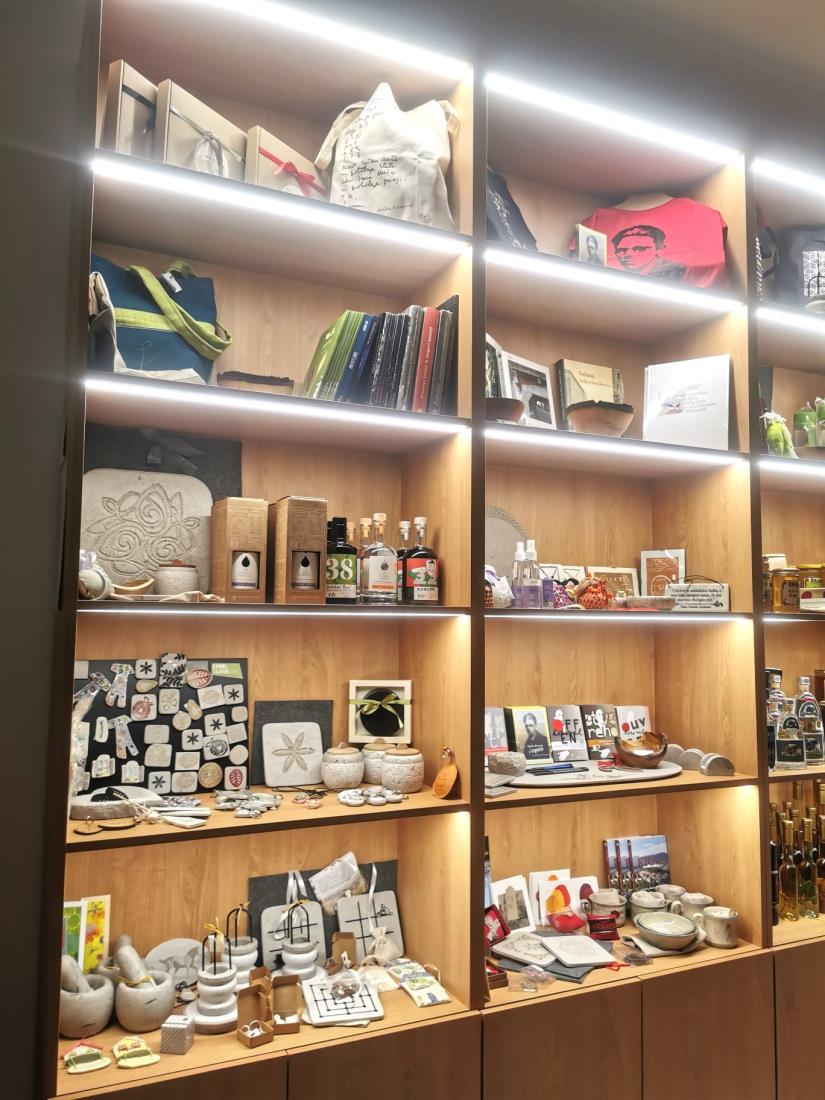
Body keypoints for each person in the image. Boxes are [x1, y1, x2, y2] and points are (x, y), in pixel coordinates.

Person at [611, 224, 687, 280]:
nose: (628, 254)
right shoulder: (613, 276)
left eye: (639, 249)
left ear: (659, 249)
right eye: (621, 250)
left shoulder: (680, 272)